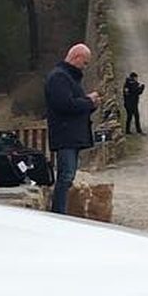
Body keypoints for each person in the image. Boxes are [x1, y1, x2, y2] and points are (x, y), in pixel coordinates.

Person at [45, 43, 100, 215]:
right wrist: (88, 101)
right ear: (76, 57)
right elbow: (65, 105)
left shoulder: (68, 78)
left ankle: (61, 212)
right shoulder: (59, 77)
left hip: (71, 135)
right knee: (65, 177)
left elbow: (75, 104)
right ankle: (58, 213)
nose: (85, 67)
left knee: (68, 177)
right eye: (85, 63)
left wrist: (90, 104)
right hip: (65, 136)